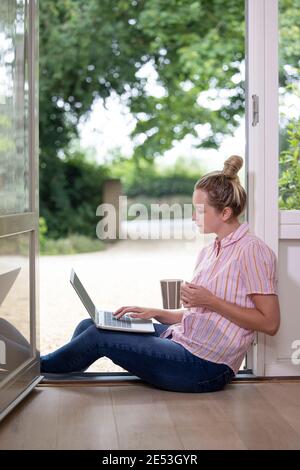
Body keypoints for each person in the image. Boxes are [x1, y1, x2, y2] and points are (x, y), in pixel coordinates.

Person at [41, 155, 280, 393]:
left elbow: (269, 323)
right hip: (182, 340)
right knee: (89, 324)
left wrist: (212, 300)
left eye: (200, 211)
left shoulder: (252, 251)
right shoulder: (210, 251)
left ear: (225, 213)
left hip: (206, 366)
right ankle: (59, 373)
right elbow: (203, 315)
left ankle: (35, 368)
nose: (193, 217)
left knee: (97, 336)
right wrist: (155, 313)